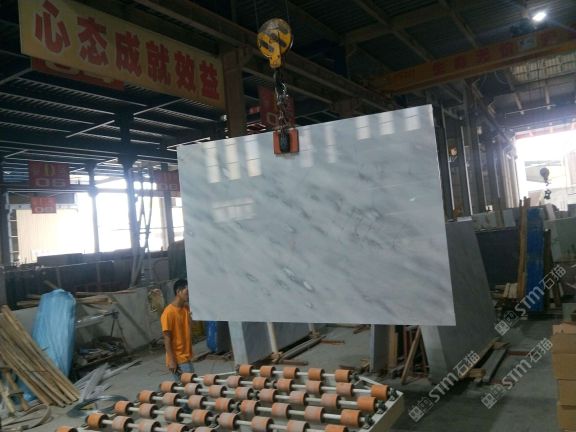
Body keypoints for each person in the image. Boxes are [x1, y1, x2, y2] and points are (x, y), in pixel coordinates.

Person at [161, 279, 193, 380]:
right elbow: (167, 339)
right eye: (187, 292)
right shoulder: (168, 313)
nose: (189, 295)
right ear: (178, 291)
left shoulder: (186, 309)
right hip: (178, 359)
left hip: (186, 356)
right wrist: (172, 360)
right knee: (190, 386)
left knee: (190, 386)